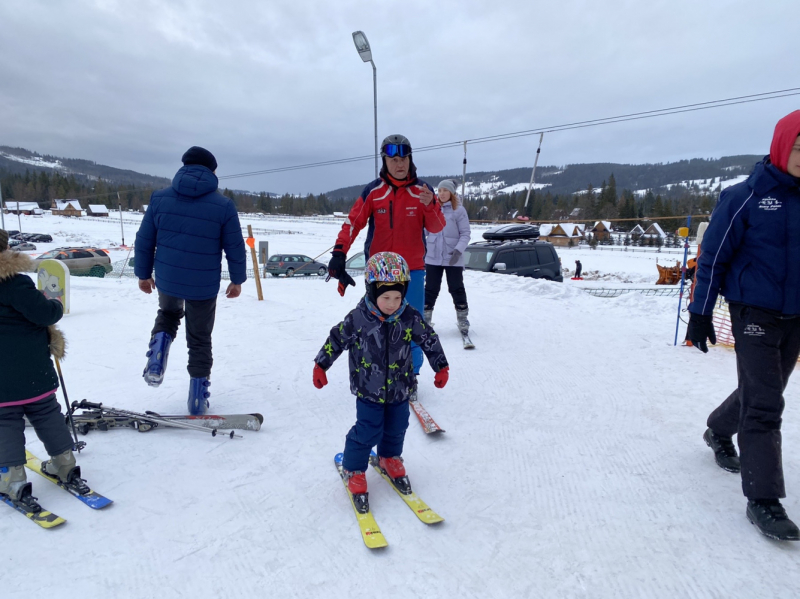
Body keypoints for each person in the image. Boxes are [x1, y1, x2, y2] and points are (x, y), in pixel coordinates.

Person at [687, 110, 800, 541]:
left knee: (767, 387)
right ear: (781, 144)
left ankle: (718, 428)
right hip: (754, 312)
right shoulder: (745, 197)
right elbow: (713, 256)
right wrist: (700, 311)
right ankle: (764, 500)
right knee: (766, 403)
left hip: (795, 313)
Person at [313, 252, 449, 513]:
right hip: (368, 389)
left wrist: (440, 365)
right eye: (386, 297)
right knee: (368, 430)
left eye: (398, 297)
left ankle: (389, 457)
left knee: (397, 426)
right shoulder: (359, 318)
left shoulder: (408, 316)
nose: (392, 303)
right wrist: (321, 364)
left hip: (399, 388)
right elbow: (337, 339)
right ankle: (354, 469)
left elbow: (428, 338)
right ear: (372, 290)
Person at [135, 146, 247, 415]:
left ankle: (156, 360)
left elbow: (144, 239)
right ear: (212, 171)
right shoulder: (223, 205)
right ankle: (197, 399)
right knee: (199, 338)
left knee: (169, 314)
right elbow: (235, 246)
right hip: (203, 284)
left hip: (168, 278)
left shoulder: (159, 199)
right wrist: (237, 279)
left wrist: (143, 274)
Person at [325, 134, 446, 383]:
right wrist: (339, 252)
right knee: (373, 325)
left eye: (404, 158)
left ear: (410, 160)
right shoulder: (373, 191)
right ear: (384, 161)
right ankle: (375, 372)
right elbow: (352, 223)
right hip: (378, 273)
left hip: (412, 271)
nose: (399, 164)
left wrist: (430, 205)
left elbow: (436, 227)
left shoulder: (423, 191)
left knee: (411, 326)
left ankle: (410, 375)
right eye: (393, 159)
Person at [0, 229, 91, 513]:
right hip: (35, 373)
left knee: (5, 423)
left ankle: (13, 480)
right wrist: (53, 304)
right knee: (47, 414)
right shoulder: (16, 284)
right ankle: (64, 465)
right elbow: (46, 314)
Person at [423, 179, 472, 338]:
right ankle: (425, 320)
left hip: (453, 257)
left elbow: (465, 234)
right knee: (430, 289)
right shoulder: (431, 209)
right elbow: (424, 231)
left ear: (451, 193)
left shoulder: (459, 210)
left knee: (456, 288)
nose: (442, 193)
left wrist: (458, 251)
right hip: (433, 257)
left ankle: (463, 318)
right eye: (440, 190)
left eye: (445, 190)